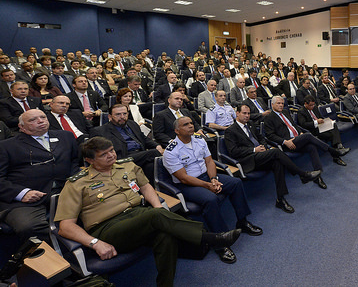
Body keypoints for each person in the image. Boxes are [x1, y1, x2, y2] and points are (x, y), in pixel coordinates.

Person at [55, 137, 241, 287]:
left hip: (138, 216)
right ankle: (212, 238)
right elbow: (65, 226)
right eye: (104, 154)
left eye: (112, 150)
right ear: (89, 160)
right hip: (108, 228)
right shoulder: (76, 183)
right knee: (154, 215)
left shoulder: (127, 166)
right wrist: (95, 243)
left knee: (164, 234)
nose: (111, 156)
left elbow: (146, 187)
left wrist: (159, 209)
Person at [163, 116, 262, 264]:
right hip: (188, 184)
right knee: (211, 199)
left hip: (206, 176)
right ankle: (220, 241)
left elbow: (209, 161)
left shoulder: (199, 140)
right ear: (177, 131)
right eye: (186, 125)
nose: (191, 126)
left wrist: (214, 178)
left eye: (191, 123)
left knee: (235, 183)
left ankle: (242, 221)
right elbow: (183, 178)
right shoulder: (171, 151)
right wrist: (207, 185)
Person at [0, 109, 79, 244]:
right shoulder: (6, 146)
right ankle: (55, 258)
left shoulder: (66, 136)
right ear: (21, 126)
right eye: (32, 120)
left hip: (65, 190)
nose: (40, 121)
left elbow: (75, 162)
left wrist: (75, 182)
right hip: (27, 198)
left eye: (43, 117)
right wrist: (22, 193)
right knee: (28, 226)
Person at [264, 96, 347, 188]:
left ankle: (318, 177)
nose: (281, 105)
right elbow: (270, 135)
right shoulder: (269, 117)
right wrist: (284, 141)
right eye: (278, 103)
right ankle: (333, 151)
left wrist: (300, 132)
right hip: (288, 143)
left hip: (297, 138)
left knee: (312, 147)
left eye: (282, 103)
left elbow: (294, 125)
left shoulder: (286, 112)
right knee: (308, 135)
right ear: (272, 104)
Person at [90, 104, 162, 183]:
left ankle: (147, 190)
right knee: (154, 153)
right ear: (110, 117)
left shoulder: (132, 124)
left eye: (124, 114)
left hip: (140, 154)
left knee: (151, 165)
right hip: (122, 157)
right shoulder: (100, 131)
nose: (122, 117)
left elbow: (143, 138)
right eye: (118, 114)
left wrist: (156, 145)